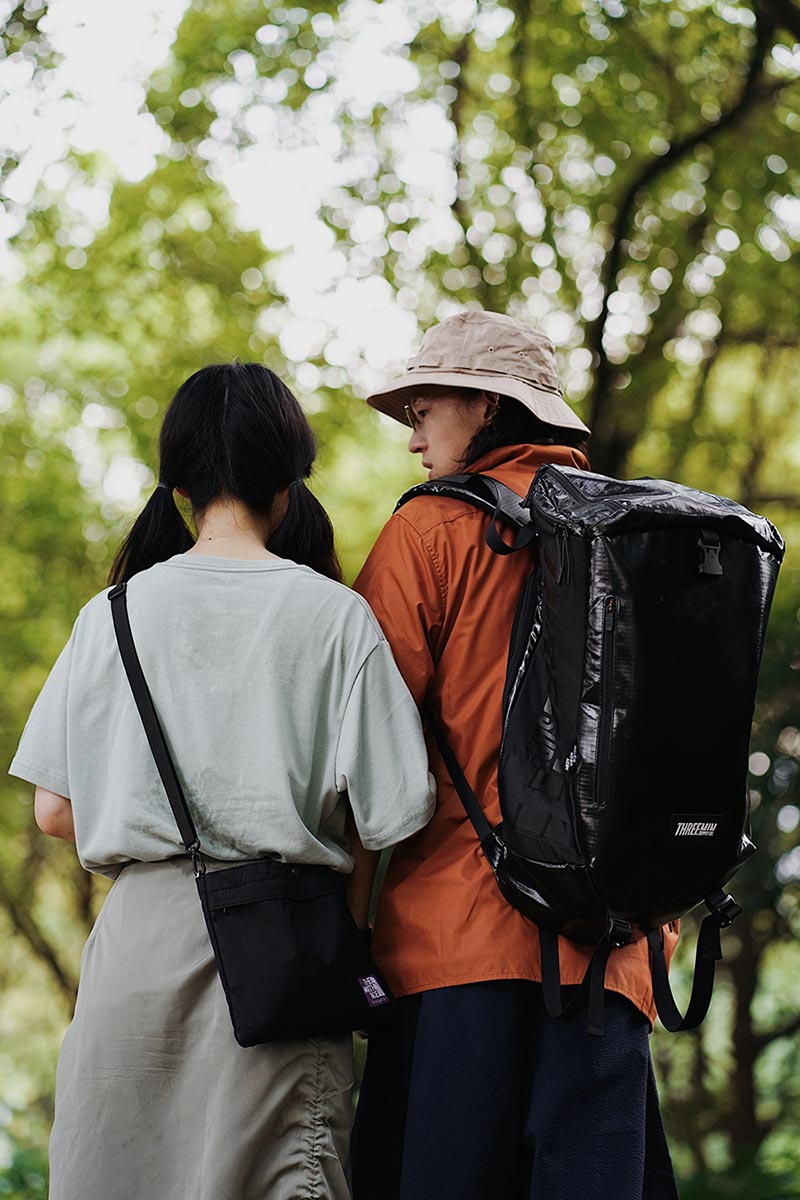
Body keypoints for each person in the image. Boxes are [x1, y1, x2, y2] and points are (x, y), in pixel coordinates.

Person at [8, 361, 436, 1200]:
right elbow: (397, 809)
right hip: (278, 953)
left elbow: (54, 810)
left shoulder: (113, 615)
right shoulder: (333, 615)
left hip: (134, 949)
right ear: (289, 482)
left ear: (179, 485)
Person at [350, 310, 679, 1200]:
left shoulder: (430, 534)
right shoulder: (645, 537)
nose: (414, 436)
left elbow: (361, 748)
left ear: (487, 409)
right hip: (613, 955)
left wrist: (342, 928)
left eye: (425, 408)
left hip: (456, 947)